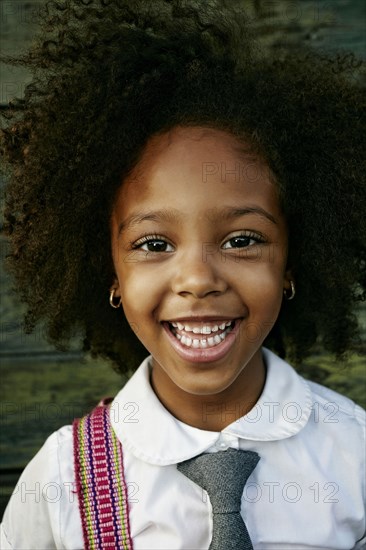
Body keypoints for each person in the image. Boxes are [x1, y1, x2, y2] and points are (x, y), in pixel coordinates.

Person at [0, 1, 365, 548]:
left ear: (293, 261)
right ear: (111, 274)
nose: (197, 278)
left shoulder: (355, 457)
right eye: (154, 244)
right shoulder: (60, 485)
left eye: (242, 240)